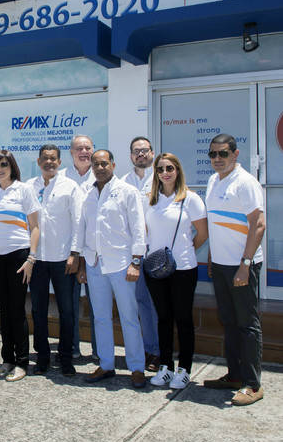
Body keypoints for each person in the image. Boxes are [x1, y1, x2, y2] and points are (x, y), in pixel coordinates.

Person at [203, 134, 266, 406]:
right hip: (220, 264)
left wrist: (246, 264)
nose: (218, 159)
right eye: (213, 154)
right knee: (228, 321)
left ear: (235, 154)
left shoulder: (246, 183)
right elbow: (216, 222)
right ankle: (234, 375)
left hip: (242, 266)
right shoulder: (213, 180)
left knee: (247, 325)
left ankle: (252, 385)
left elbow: (259, 224)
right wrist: (211, 256)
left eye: (223, 154)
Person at [76, 149, 147, 388]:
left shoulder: (128, 192)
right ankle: (106, 364)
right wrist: (82, 263)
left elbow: (138, 228)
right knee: (101, 318)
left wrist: (136, 261)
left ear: (113, 165)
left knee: (129, 318)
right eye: (96, 164)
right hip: (95, 264)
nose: (99, 168)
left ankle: (137, 367)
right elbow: (84, 229)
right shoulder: (88, 194)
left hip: (122, 265)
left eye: (104, 163)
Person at [145, 153, 208, 389]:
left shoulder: (190, 199)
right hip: (156, 269)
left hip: (183, 268)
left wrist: (187, 249)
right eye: (160, 169)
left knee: (182, 319)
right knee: (163, 318)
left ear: (178, 170)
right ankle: (165, 367)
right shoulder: (150, 200)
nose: (165, 173)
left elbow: (202, 233)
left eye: (169, 168)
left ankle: (184, 369)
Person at [0, 150, 40, 382]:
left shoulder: (24, 190)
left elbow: (35, 226)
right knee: (4, 310)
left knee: (17, 311)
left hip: (19, 256)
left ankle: (22, 362)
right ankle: (7, 359)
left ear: (12, 166)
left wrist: (31, 258)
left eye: (4, 164)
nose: (0, 169)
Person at [26, 144, 81, 377]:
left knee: (66, 311)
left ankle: (66, 358)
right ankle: (42, 357)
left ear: (59, 162)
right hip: (37, 259)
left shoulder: (71, 187)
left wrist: (75, 254)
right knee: (38, 310)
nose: (49, 162)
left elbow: (78, 222)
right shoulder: (29, 186)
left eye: (53, 159)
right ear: (39, 162)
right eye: (45, 159)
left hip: (63, 259)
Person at [122, 136, 160, 371]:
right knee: (141, 302)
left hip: (156, 251)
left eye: (145, 150)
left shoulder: (162, 178)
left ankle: (158, 351)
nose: (141, 155)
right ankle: (148, 350)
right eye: (136, 151)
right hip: (133, 254)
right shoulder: (123, 182)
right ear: (130, 156)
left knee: (157, 303)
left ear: (152, 153)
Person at [61, 135, 98, 360]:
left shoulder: (102, 175)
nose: (84, 151)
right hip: (71, 250)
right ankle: (72, 347)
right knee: (69, 303)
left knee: (98, 305)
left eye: (88, 148)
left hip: (95, 250)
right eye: (79, 148)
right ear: (71, 152)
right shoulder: (62, 177)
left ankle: (98, 350)